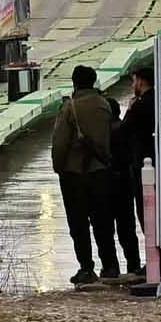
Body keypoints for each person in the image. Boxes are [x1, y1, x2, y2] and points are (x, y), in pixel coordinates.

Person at [53, 65, 122, 285]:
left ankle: (86, 268)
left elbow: (60, 143)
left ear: (74, 83)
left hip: (74, 174)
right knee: (103, 221)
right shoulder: (104, 105)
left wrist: (59, 167)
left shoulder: (69, 108)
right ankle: (110, 266)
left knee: (78, 224)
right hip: (100, 171)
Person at [114, 66, 161, 275]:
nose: (133, 85)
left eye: (134, 81)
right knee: (159, 215)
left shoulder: (140, 106)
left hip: (143, 167)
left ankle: (156, 262)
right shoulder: (160, 101)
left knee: (146, 215)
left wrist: (129, 110)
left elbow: (122, 133)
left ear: (141, 81)